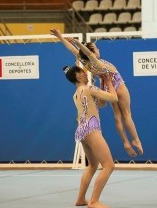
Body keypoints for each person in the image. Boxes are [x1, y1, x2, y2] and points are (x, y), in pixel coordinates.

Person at [51, 29, 143, 157]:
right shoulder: (95, 62)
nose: (98, 50)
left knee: (117, 116)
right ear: (92, 53)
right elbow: (86, 52)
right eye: (96, 48)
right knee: (127, 114)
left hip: (106, 85)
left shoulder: (85, 62)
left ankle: (125, 142)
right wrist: (78, 43)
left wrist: (60, 36)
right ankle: (136, 140)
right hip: (117, 83)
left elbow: (71, 50)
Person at [63, 65, 117, 208]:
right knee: (109, 166)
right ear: (79, 76)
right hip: (92, 129)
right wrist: (110, 83)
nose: (87, 74)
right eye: (84, 73)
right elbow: (114, 98)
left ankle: (80, 199)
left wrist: (103, 83)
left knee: (93, 165)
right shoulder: (89, 88)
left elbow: (102, 103)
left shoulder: (76, 94)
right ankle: (93, 201)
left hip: (81, 131)